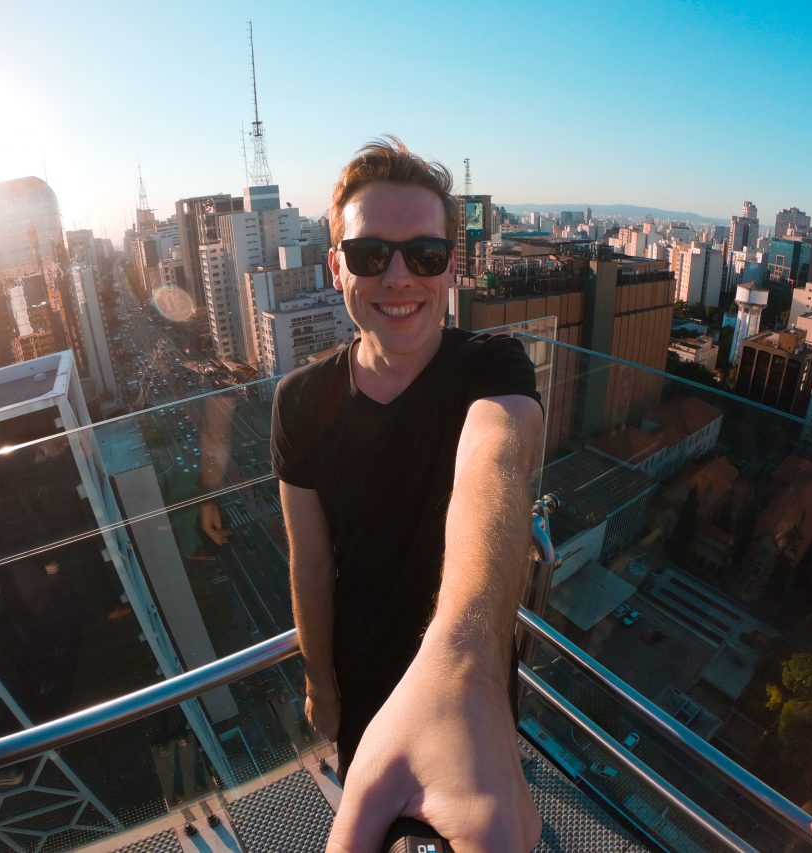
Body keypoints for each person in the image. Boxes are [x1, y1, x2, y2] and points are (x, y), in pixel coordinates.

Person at [270, 137, 543, 852]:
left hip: (470, 688)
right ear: (336, 269)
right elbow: (309, 562)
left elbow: (498, 462)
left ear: (451, 267)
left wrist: (464, 663)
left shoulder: (492, 365)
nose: (398, 277)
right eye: (369, 256)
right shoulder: (300, 402)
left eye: (423, 254)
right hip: (364, 685)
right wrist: (320, 683)